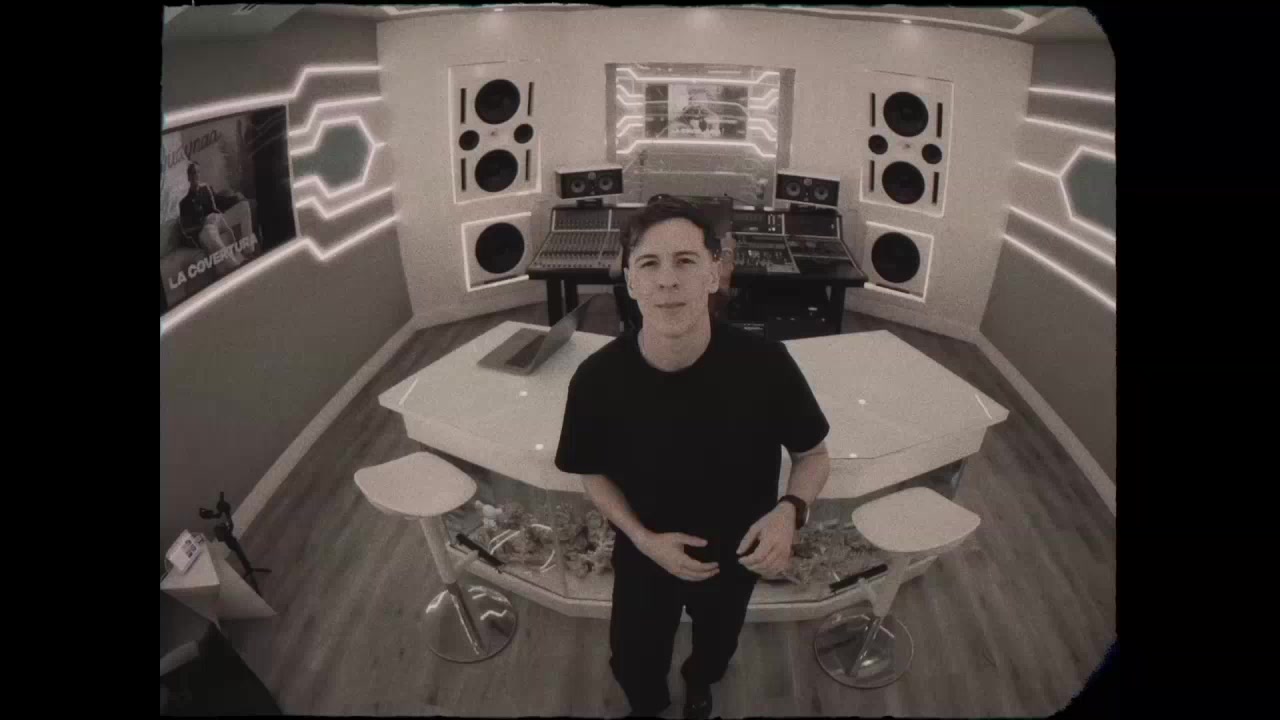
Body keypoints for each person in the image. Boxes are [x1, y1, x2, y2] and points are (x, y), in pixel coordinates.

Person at [555, 197, 832, 718]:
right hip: (643, 553)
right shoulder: (595, 379)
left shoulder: (767, 365)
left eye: (685, 261)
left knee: (716, 648)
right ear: (630, 281)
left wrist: (789, 511)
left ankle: (699, 685)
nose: (667, 280)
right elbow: (590, 470)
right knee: (633, 660)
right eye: (649, 264)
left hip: (738, 556)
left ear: (714, 272)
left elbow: (813, 453)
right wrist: (642, 539)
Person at [178, 161, 253, 277]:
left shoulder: (206, 189)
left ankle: (249, 251)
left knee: (244, 206)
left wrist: (236, 198)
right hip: (204, 228)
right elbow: (187, 230)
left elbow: (219, 201)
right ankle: (235, 266)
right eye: (192, 173)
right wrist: (203, 222)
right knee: (209, 231)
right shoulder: (184, 203)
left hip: (217, 219)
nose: (196, 175)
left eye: (197, 172)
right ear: (188, 177)